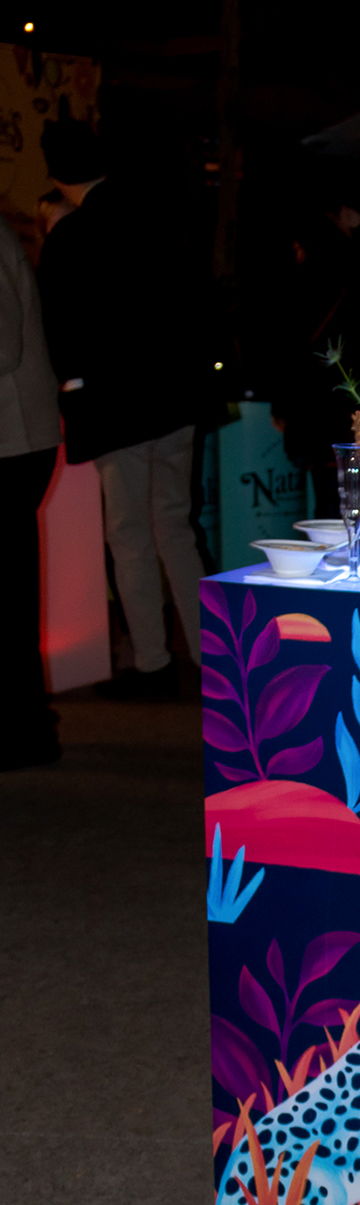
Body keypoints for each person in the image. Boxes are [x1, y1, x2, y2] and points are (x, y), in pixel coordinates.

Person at [38, 119, 207, 700]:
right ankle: (212, 653)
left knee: (130, 535)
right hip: (176, 400)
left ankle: (154, 663)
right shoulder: (156, 216)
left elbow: (60, 332)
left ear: (57, 175)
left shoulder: (71, 237)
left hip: (118, 409)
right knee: (176, 528)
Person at [0, 213, 61, 770]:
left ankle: (24, 728)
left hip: (13, 440)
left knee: (12, 591)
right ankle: (25, 726)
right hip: (17, 438)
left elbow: (4, 346)